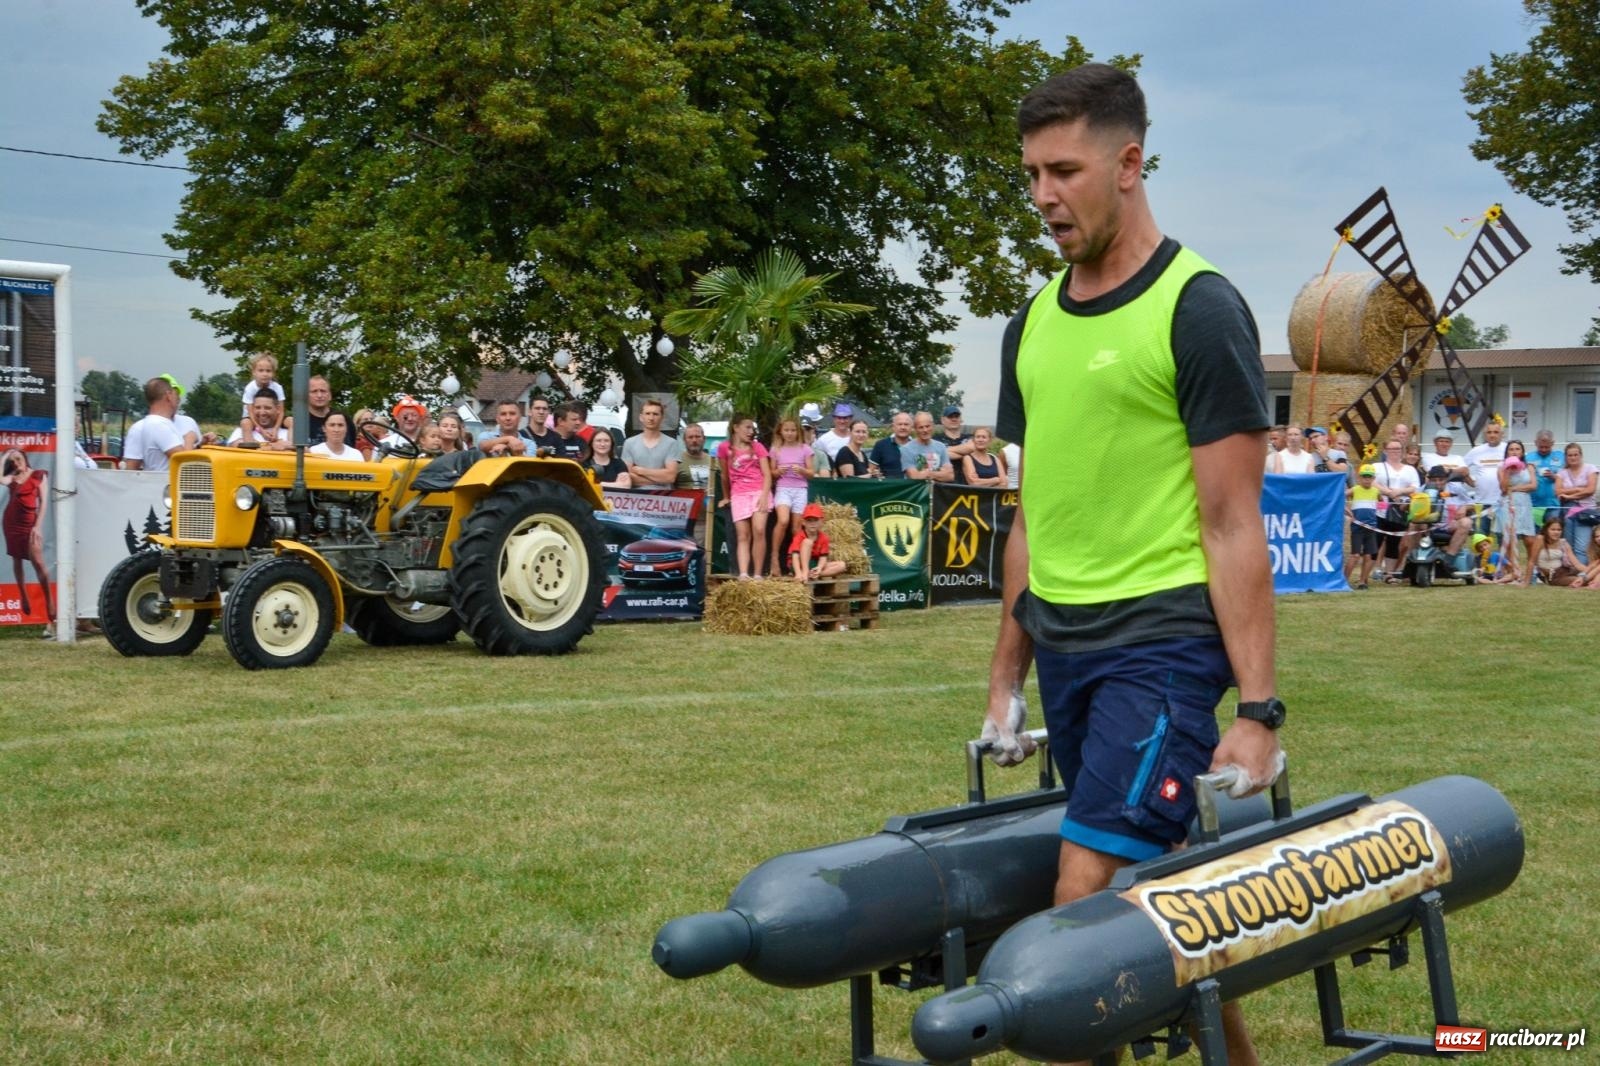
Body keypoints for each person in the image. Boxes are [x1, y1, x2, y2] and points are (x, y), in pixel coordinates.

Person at [983, 65, 1280, 1066]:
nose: (1042, 197)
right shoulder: (1029, 325)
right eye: (1030, 174)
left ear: (1128, 162)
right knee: (1162, 898)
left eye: (1062, 171)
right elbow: (1033, 517)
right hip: (1064, 647)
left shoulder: (1198, 309)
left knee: (1083, 904)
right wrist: (1003, 683)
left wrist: (1257, 710)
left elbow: (1233, 519)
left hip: (1160, 646)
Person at [1, 449, 54, 634]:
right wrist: (5, 458)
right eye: (12, 460)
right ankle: (23, 596)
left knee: (38, 563)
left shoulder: (38, 475)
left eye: (18, 458)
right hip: (11, 523)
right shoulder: (12, 477)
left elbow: (44, 502)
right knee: (16, 559)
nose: (16, 463)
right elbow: (1, 478)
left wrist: (37, 526)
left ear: (25, 459)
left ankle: (49, 604)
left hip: (29, 523)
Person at [716, 415, 771, 580]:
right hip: (739, 494)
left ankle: (758, 574)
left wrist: (764, 495)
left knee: (759, 530)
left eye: (752, 428)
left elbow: (767, 474)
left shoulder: (758, 447)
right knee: (742, 535)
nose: (751, 431)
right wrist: (726, 497)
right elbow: (724, 476)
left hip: (758, 491)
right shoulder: (724, 448)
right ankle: (743, 573)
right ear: (735, 427)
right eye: (747, 427)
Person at [767, 417, 813, 575]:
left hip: (800, 489)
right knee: (783, 520)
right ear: (781, 431)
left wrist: (802, 471)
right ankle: (774, 557)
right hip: (783, 488)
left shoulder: (805, 449)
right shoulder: (775, 449)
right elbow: (771, 473)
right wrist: (778, 472)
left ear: (798, 431)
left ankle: (795, 561)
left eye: (793, 430)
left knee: (796, 528)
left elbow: (811, 473)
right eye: (786, 430)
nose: (790, 433)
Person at [1372, 439, 1419, 580]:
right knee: (1376, 541)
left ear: (1402, 451)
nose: (1395, 452)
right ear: (1385, 451)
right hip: (1379, 510)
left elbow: (1415, 488)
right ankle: (1370, 571)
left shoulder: (1410, 469)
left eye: (1398, 449)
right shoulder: (1377, 466)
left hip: (1400, 511)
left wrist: (1399, 491)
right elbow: (1371, 481)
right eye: (1391, 449)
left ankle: (1389, 574)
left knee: (1394, 542)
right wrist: (1387, 492)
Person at [122, 377, 187, 471]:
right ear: (168, 395)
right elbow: (184, 461)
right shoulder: (159, 425)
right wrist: (190, 438)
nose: (178, 399)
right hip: (167, 484)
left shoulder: (153, 423)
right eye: (175, 394)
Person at [1497, 442, 1538, 580]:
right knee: (1509, 539)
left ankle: (1532, 571)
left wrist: (1514, 488)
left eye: (1517, 449)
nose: (1514, 451)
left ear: (1522, 451)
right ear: (1507, 452)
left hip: (1524, 503)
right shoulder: (1501, 468)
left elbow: (1533, 485)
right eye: (1511, 449)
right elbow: (1503, 488)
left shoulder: (1529, 466)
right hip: (1508, 504)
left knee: (1529, 539)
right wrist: (1508, 471)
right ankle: (1513, 571)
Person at [622, 398, 681, 490]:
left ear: (662, 417)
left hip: (664, 497)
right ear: (641, 417)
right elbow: (627, 477)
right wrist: (661, 478)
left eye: (655, 414)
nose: (651, 418)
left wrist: (642, 471)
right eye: (648, 413)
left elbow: (670, 477)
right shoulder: (629, 443)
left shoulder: (671, 443)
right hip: (636, 497)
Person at [1554, 443, 1599, 564]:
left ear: (1580, 455)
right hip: (1567, 512)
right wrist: (1579, 489)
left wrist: (1569, 496)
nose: (1573, 457)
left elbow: (1590, 490)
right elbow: (1557, 491)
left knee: (1581, 546)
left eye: (1575, 454)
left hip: (1585, 512)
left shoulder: (1591, 468)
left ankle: (1581, 573)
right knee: (1568, 544)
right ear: (1566, 457)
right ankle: (1571, 571)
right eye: (1570, 455)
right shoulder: (1562, 472)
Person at [789, 502, 846, 582]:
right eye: (809, 520)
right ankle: (804, 573)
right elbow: (794, 557)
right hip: (798, 565)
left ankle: (813, 574)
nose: (812, 523)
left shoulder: (824, 538)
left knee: (841, 565)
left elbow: (823, 557)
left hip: (812, 564)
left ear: (821, 521)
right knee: (807, 542)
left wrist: (819, 568)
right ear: (803, 522)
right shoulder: (799, 536)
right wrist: (798, 573)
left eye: (815, 520)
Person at [1345, 464, 1381, 589]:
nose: (1367, 479)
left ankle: (1362, 581)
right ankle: (1344, 581)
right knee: (1355, 555)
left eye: (1370, 477)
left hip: (1371, 527)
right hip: (1357, 527)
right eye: (1364, 477)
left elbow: (1382, 504)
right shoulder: (1355, 489)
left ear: (1373, 478)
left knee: (1368, 555)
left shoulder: (1376, 491)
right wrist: (1347, 511)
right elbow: (1340, 496)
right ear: (1359, 478)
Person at [238, 353, 285, 442]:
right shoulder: (250, 388)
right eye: (261, 370)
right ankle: (250, 444)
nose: (265, 374)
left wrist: (276, 429)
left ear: (273, 373)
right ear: (254, 372)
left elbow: (281, 411)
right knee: (245, 423)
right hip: (252, 418)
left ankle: (292, 446)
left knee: (291, 420)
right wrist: (260, 430)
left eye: (268, 371)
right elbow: (251, 412)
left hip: (272, 418)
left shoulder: (278, 388)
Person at [1530, 516, 1582, 587]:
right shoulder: (1540, 539)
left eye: (1559, 530)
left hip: (1564, 570)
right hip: (1553, 576)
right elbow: (1531, 561)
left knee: (1590, 572)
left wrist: (1588, 572)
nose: (1556, 532)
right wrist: (1526, 581)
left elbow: (1577, 564)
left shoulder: (1563, 542)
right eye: (1553, 529)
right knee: (1579, 580)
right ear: (1546, 530)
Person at [227, 393, 293, 450]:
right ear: (252, 409)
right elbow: (234, 447)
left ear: (278, 409)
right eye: (258, 408)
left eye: (267, 408)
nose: (262, 413)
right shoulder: (241, 431)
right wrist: (274, 446)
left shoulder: (289, 431)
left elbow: (302, 450)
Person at [902, 411, 953, 482]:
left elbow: (950, 476)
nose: (925, 430)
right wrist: (939, 472)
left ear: (933, 426)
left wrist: (928, 473)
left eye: (927, 426)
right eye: (921, 427)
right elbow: (914, 476)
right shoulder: (907, 449)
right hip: (918, 491)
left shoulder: (941, 447)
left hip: (937, 491)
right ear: (915, 429)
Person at [1527, 429, 1563, 527]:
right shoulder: (1528, 457)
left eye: (1547, 447)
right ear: (1535, 443)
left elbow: (1569, 477)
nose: (1543, 449)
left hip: (1553, 505)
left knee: (1551, 535)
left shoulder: (1561, 456)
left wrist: (1555, 477)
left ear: (1553, 443)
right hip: (1534, 505)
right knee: (1534, 537)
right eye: (1540, 447)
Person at [869, 411, 912, 479]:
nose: (903, 427)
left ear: (911, 427)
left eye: (906, 424)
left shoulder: (917, 446)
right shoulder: (881, 445)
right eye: (900, 424)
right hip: (889, 488)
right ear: (893, 427)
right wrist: (875, 475)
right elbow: (871, 471)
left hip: (913, 488)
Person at [939, 405, 975, 484]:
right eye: (950, 416)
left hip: (967, 485)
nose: (954, 419)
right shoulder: (936, 440)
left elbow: (972, 448)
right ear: (942, 420)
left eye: (957, 416)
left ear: (961, 419)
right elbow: (936, 455)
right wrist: (965, 453)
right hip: (944, 486)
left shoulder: (969, 438)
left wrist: (943, 451)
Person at [304, 375, 334, 444]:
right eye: (314, 391)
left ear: (330, 395)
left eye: (323, 391)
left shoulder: (343, 420)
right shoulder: (299, 422)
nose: (319, 395)